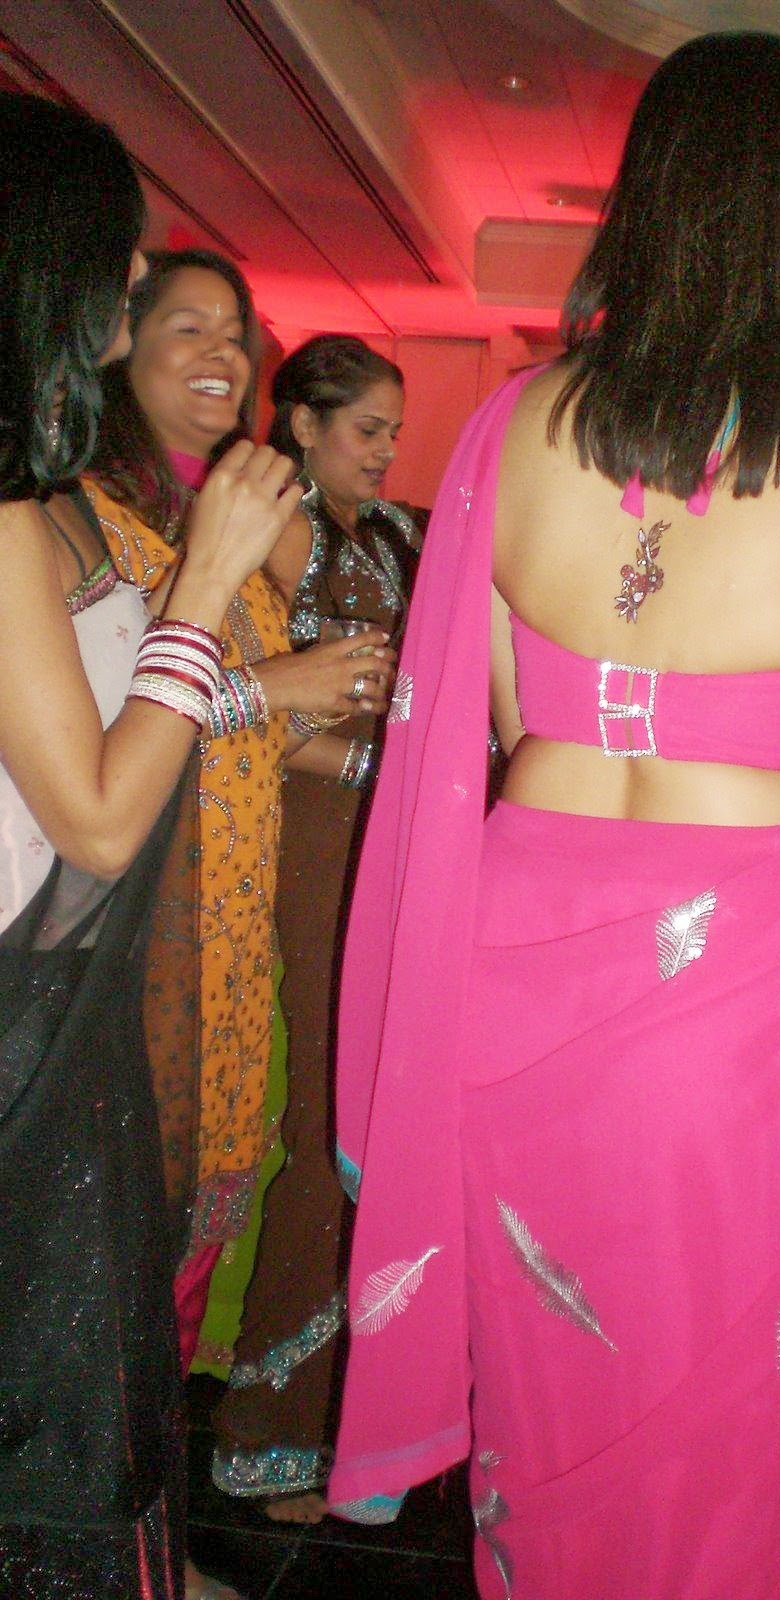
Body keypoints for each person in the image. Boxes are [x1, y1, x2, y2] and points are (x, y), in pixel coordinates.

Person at [326, 32, 780, 1598]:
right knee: (738, 1408)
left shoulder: (521, 424)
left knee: (549, 1393)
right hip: (744, 1001)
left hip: (519, 960)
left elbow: (516, 721)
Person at [0, 94, 300, 1600]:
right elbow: (101, 815)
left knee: (98, 1371)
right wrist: (208, 581)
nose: (130, 294)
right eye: (119, 269)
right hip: (20, 1019)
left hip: (74, 1003)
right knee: (51, 1403)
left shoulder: (50, 499)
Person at [85, 252, 394, 1600]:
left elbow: (261, 723)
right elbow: (100, 734)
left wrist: (332, 721)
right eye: (187, 326)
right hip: (128, 933)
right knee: (107, 1274)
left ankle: (140, 1548)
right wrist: (280, 682)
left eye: (237, 331)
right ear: (117, 344)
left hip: (226, 922)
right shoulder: (82, 520)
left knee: (182, 1255)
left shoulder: (217, 515)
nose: (223, 352)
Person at [212, 335, 420, 1518]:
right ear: (300, 423)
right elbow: (240, 710)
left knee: (388, 1123)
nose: (387, 450)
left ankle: (354, 1416)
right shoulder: (270, 529)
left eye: (395, 430)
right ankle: (268, 1425)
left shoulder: (389, 536)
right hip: (313, 840)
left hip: (391, 840)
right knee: (332, 1118)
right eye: (366, 428)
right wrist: (388, 763)